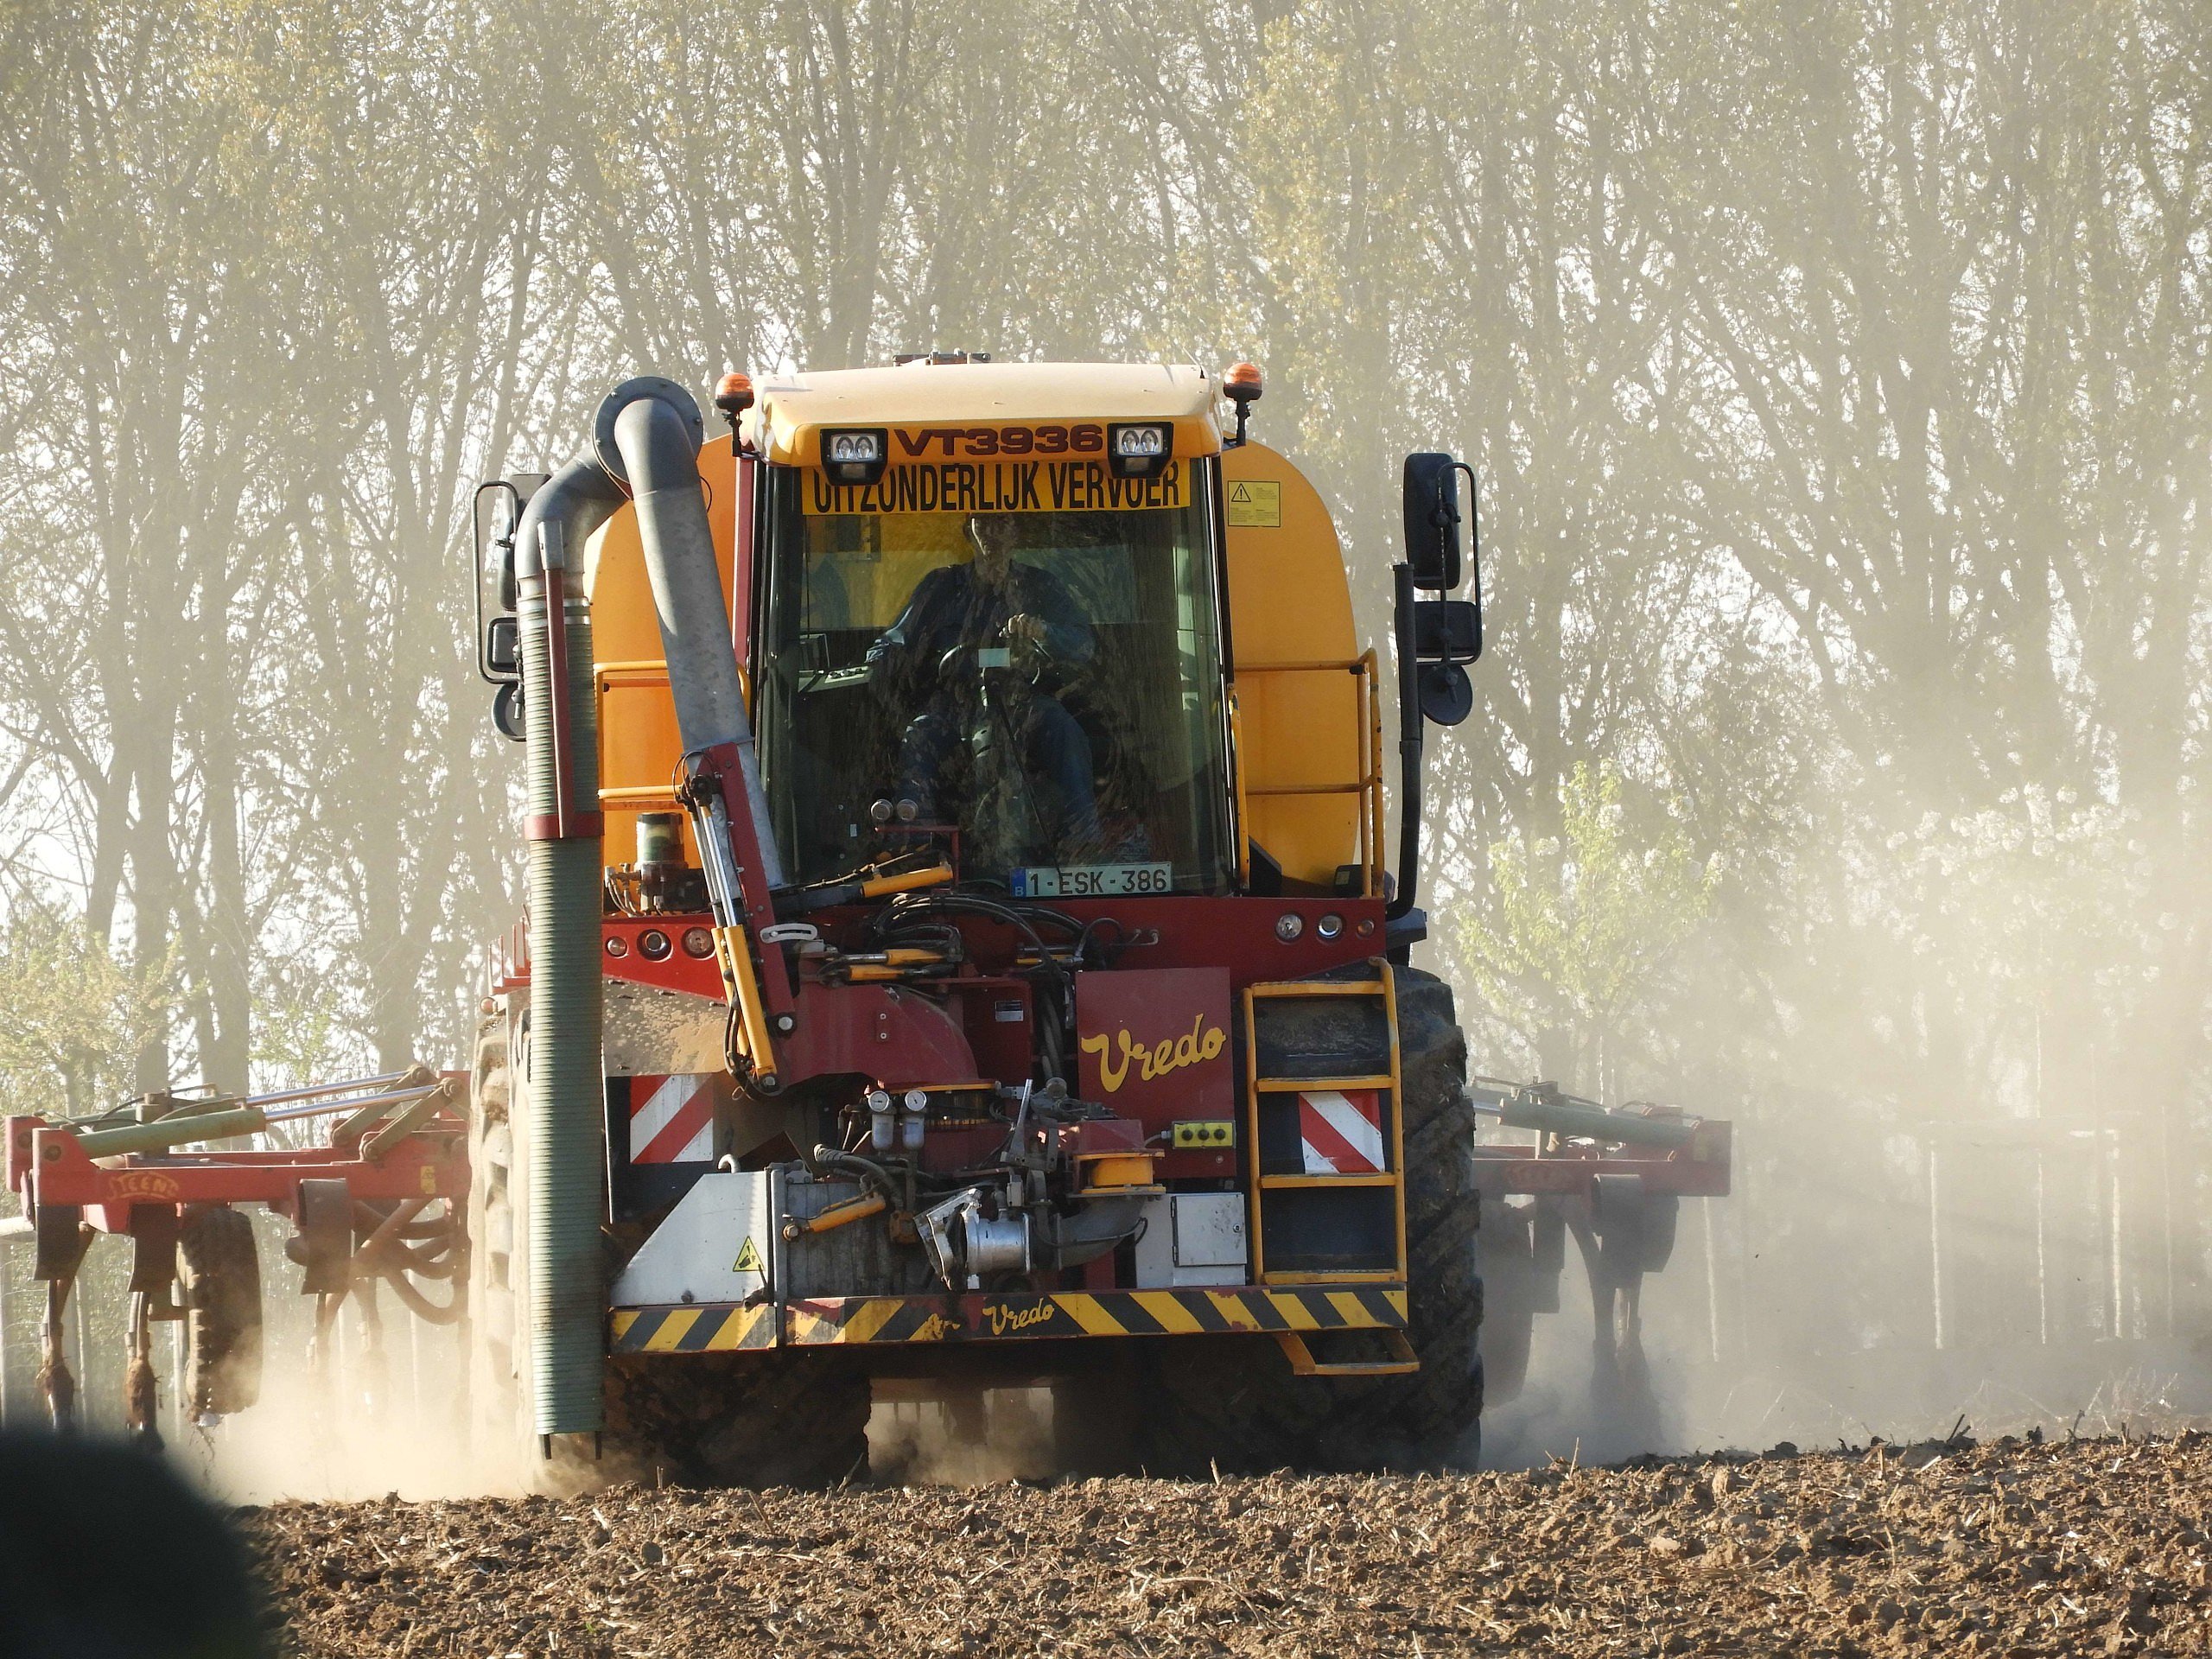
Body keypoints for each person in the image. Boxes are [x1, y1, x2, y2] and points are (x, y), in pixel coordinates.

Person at [866, 514, 1100, 856]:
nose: (992, 533)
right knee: (919, 738)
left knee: (1066, 732)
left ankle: (1085, 848)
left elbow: (1082, 645)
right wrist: (877, 662)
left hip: (1023, 705)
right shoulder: (940, 588)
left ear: (1016, 532)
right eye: (983, 523)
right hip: (954, 706)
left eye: (1002, 523)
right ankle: (915, 852)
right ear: (968, 531)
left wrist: (1043, 632)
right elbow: (896, 640)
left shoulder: (1041, 587)